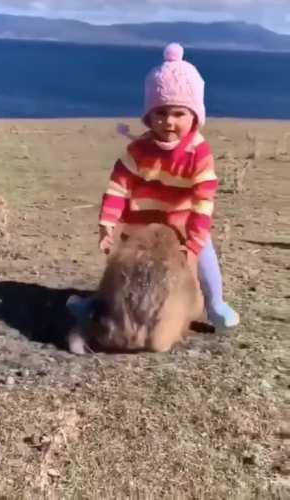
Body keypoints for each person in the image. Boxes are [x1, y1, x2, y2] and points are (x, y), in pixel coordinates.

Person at [69, 42, 239, 331]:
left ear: (195, 117)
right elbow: (118, 187)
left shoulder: (199, 153)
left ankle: (215, 305)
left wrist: (195, 242)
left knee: (207, 255)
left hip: (183, 221)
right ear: (149, 116)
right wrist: (108, 223)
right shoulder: (139, 150)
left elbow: (203, 201)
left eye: (178, 114)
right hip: (141, 221)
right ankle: (102, 303)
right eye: (160, 113)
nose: (168, 122)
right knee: (120, 265)